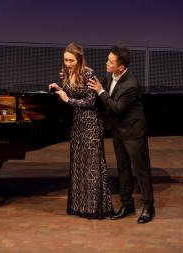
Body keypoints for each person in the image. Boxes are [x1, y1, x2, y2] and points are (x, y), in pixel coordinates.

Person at [88, 46, 155, 224]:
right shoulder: (110, 76)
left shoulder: (131, 85)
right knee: (123, 169)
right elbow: (97, 88)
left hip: (133, 133)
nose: (106, 63)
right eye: (108, 59)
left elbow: (117, 108)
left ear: (121, 67)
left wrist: (101, 91)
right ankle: (127, 205)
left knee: (141, 170)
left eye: (110, 61)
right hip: (118, 131)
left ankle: (149, 206)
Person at [49, 43, 112, 219]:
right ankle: (80, 206)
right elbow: (72, 94)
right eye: (65, 60)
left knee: (92, 167)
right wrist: (60, 88)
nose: (68, 63)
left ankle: (94, 208)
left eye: (71, 60)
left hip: (91, 126)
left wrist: (67, 99)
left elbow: (91, 102)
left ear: (79, 60)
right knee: (79, 166)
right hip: (77, 125)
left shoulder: (89, 74)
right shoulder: (69, 73)